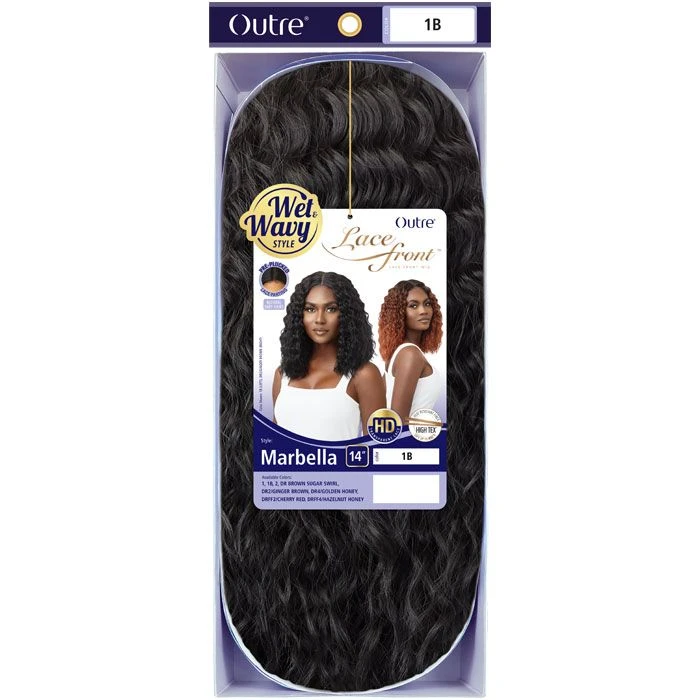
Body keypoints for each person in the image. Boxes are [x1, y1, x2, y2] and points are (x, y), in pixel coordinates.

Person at [273, 272, 385, 440]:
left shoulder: (364, 375)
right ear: (299, 315)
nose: (319, 319)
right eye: (310, 309)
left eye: (331, 309)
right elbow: (274, 441)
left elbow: (378, 446)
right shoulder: (282, 374)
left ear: (347, 315)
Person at [378, 280, 443, 420]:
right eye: (413, 305)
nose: (423, 311)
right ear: (399, 313)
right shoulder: (410, 354)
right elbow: (398, 421)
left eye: (427, 304)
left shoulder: (398, 351)